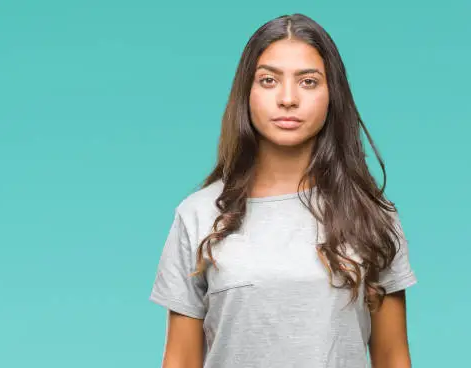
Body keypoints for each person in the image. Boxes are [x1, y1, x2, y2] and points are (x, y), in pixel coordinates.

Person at [148, 13, 418, 368]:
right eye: (268, 80)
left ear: (332, 94)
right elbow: (180, 360)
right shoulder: (198, 216)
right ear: (246, 92)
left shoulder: (371, 215)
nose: (288, 98)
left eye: (308, 82)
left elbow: (392, 356)